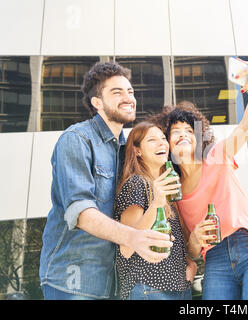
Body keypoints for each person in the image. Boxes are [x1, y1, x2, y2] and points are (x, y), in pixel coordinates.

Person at [39, 61, 173, 300]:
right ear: (97, 103)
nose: (128, 97)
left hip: (114, 284)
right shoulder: (77, 139)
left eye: (130, 92)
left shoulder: (128, 150)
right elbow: (81, 212)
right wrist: (135, 237)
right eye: (117, 92)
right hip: (74, 280)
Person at [159, 58, 248, 300]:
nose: (183, 134)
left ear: (198, 138)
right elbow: (191, 250)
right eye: (175, 132)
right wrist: (195, 239)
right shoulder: (173, 191)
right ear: (168, 144)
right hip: (215, 261)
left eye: (188, 130)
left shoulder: (216, 155)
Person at [114, 120, 197, 300]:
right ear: (138, 151)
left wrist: (189, 265)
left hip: (179, 289)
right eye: (152, 140)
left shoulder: (167, 188)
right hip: (149, 289)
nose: (162, 143)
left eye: (162, 138)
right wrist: (156, 203)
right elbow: (126, 248)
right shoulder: (137, 183)